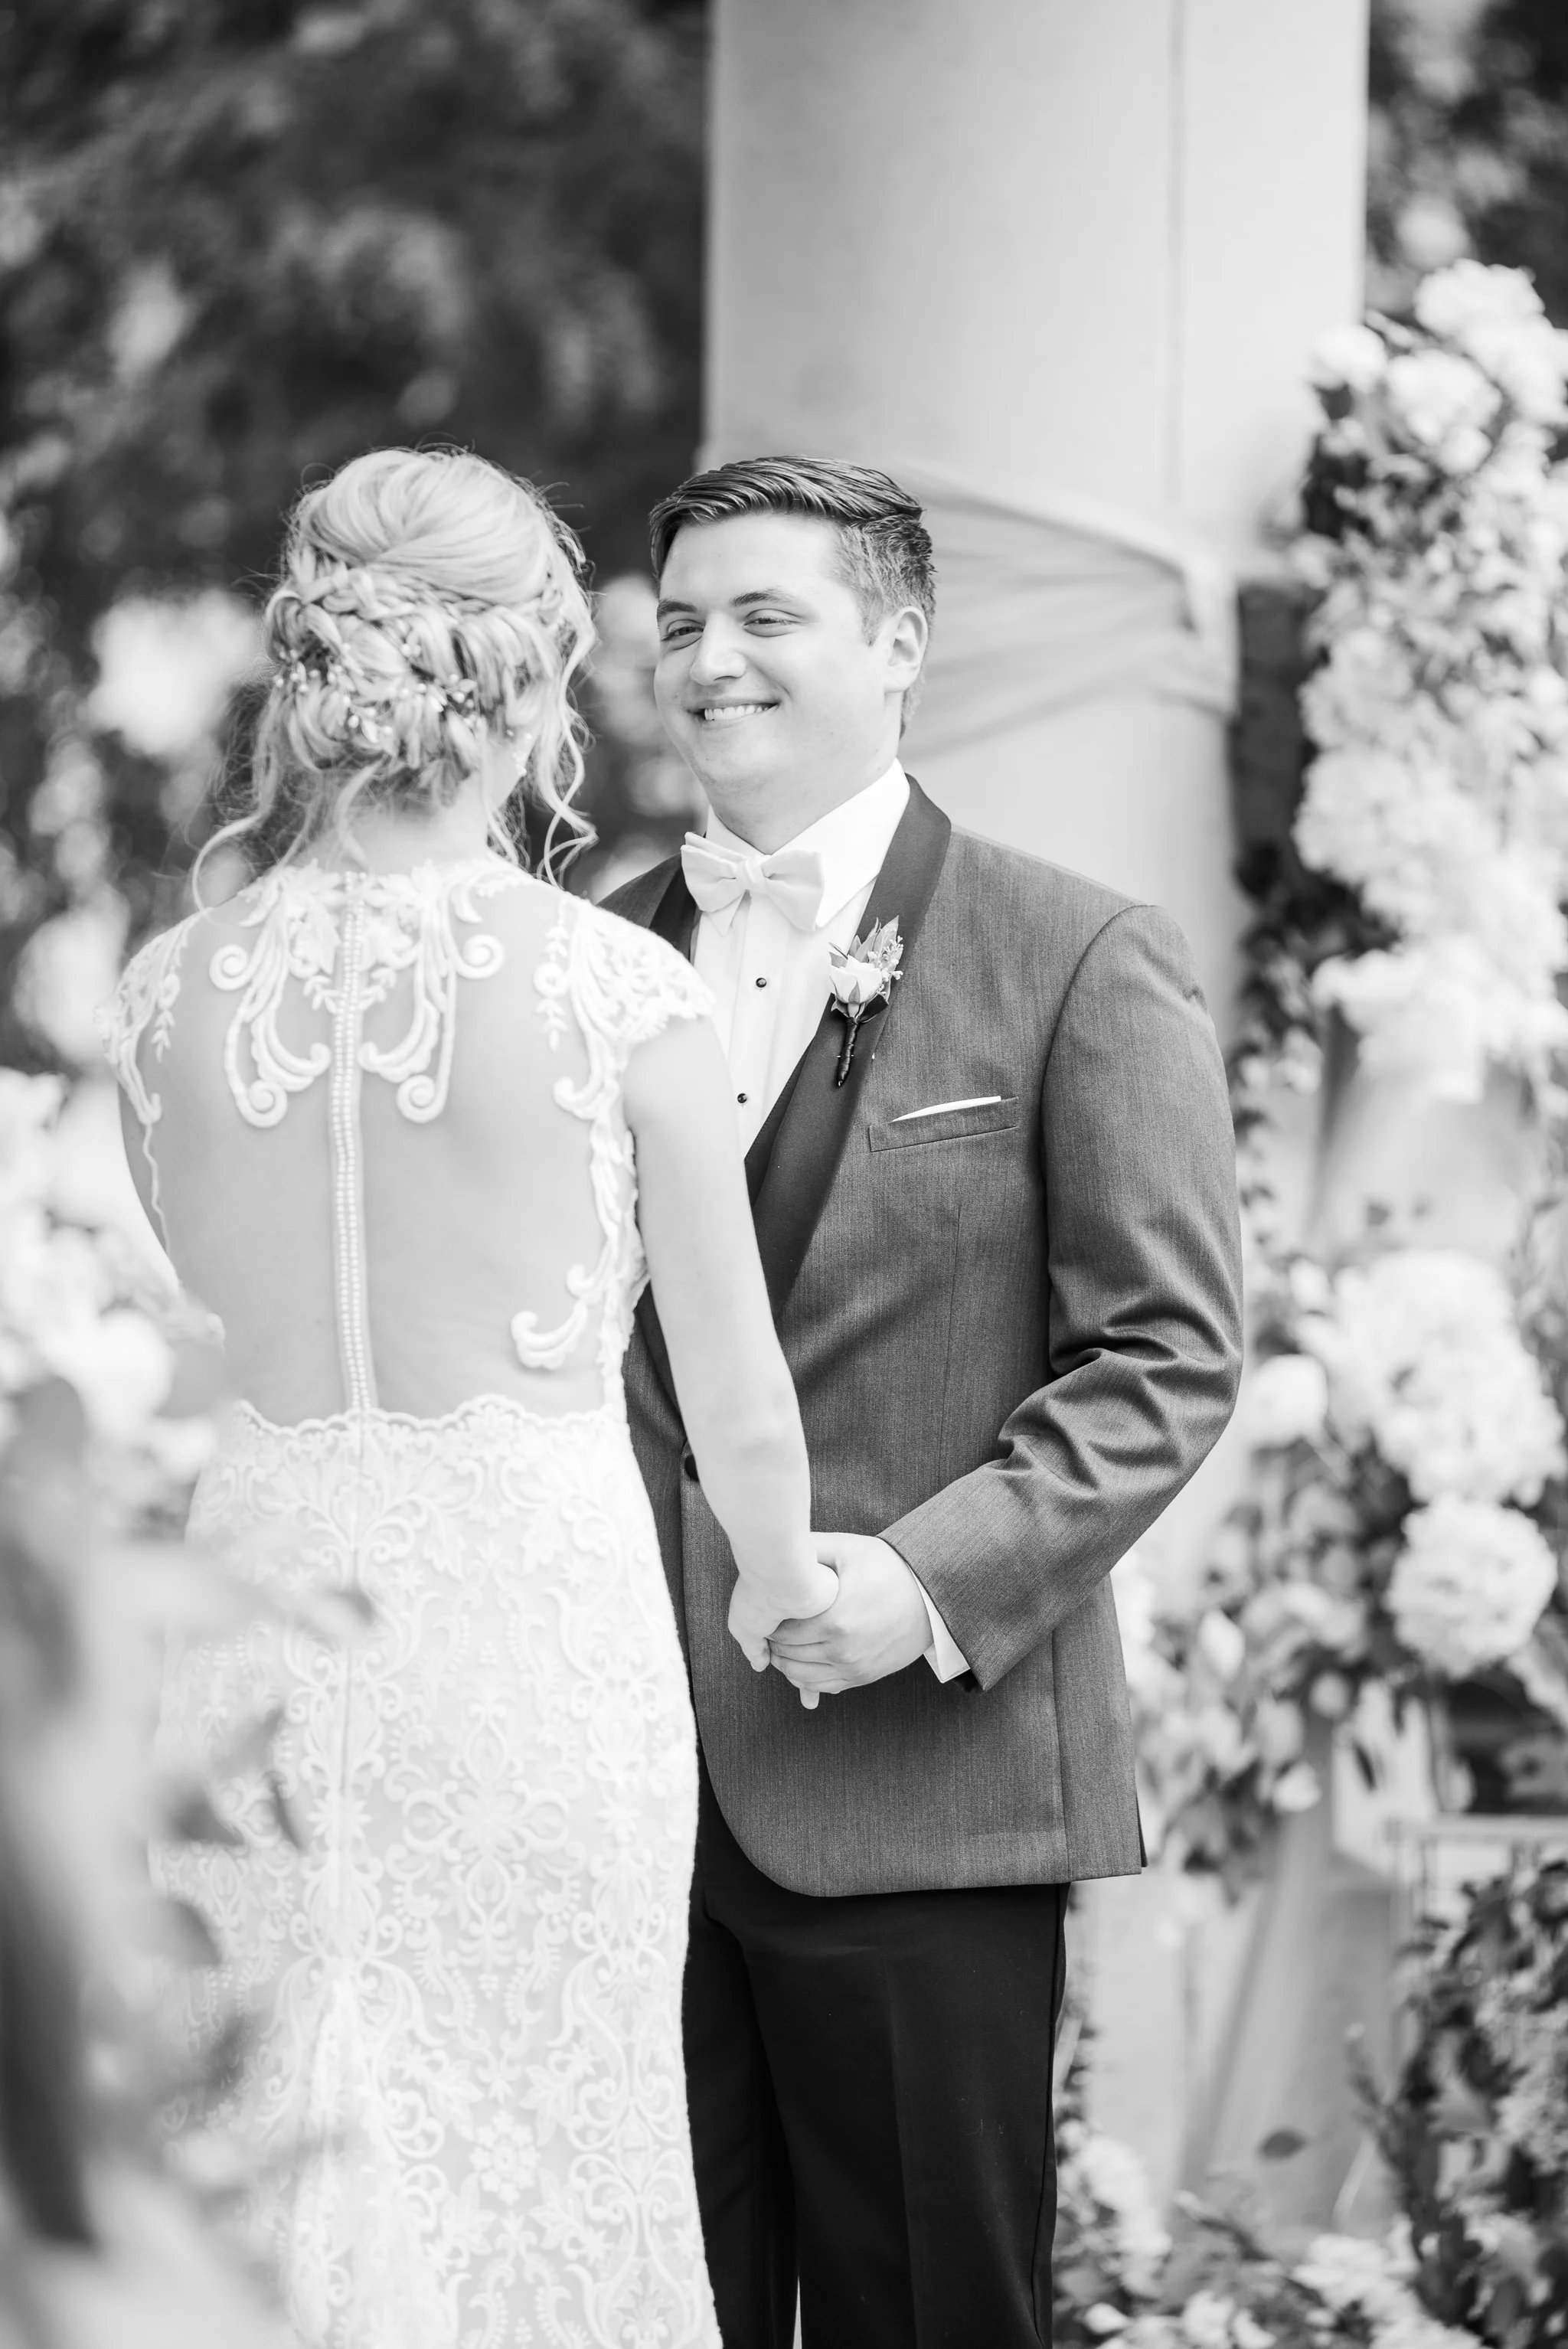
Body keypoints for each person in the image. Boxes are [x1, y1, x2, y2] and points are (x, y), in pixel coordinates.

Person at [97, 446, 838, 2349]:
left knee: (261, 2149)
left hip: (250, 1664)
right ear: (530, 686)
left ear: (313, 673)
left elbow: (195, 1315)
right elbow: (738, 1397)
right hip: (536, 1659)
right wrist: (783, 1582)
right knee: (545, 2157)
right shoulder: (620, 992)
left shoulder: (165, 998)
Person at [605, 455, 1244, 2349]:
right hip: (619, 1773)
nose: (711, 660)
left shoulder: (1076, 955)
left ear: (898, 643)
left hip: (920, 1786)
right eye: (681, 623)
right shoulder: (583, 961)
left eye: (764, 615)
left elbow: (1165, 1353)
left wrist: (931, 1580)